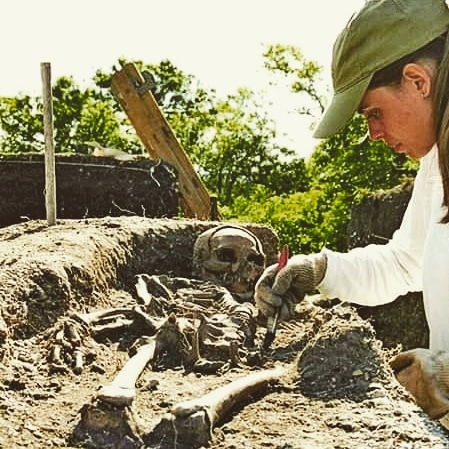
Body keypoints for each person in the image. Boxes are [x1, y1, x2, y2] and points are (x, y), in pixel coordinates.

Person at [255, 0, 449, 424]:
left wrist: (447, 379)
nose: (373, 133)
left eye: (373, 112)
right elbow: (406, 262)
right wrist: (320, 271)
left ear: (417, 81)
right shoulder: (437, 164)